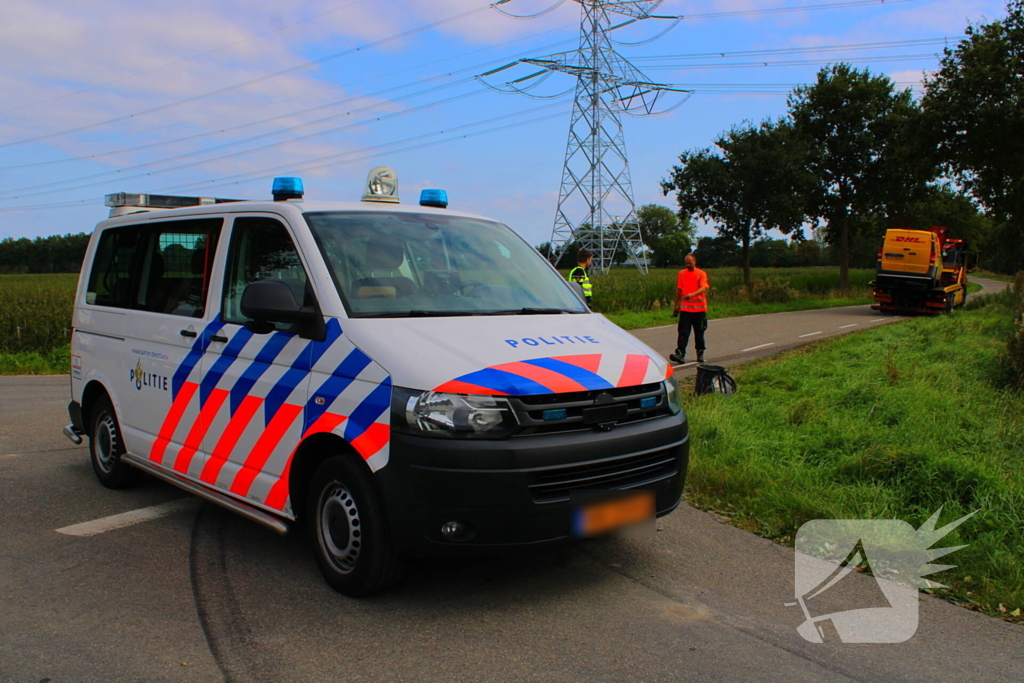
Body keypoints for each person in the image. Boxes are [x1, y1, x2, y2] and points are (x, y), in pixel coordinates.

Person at [670, 253, 709, 364]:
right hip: (686, 310)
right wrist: (676, 305)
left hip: (699, 310)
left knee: (699, 333)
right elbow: (679, 289)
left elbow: (703, 288)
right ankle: (680, 354)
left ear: (695, 262)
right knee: (683, 332)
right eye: (686, 263)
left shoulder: (701, 274)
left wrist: (692, 295)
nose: (688, 265)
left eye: (690, 263)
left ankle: (700, 353)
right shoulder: (681, 274)